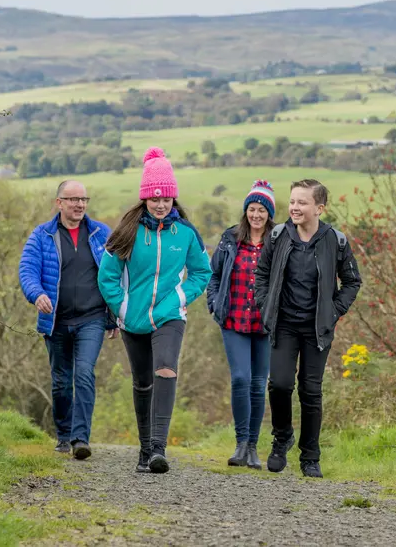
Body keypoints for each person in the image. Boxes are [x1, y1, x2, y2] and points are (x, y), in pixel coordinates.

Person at [98, 147, 212, 474]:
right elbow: (106, 276)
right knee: (142, 382)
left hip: (170, 315)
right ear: (145, 199)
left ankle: (159, 449)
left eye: (167, 200)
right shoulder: (127, 232)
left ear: (174, 200)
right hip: (133, 319)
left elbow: (202, 272)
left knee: (166, 369)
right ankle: (144, 448)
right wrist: (122, 306)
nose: (161, 205)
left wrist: (179, 297)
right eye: (155, 199)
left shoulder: (186, 234)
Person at [254, 179, 362, 478]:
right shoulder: (278, 235)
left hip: (317, 329)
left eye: (302, 202)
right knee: (279, 385)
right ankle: (281, 437)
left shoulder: (335, 240)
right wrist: (265, 305)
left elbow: (352, 282)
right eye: (292, 202)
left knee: (310, 391)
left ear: (319, 208)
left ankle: (310, 457)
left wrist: (334, 311)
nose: (294, 208)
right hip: (284, 325)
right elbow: (261, 273)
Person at [19, 180, 114, 461]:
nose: (80, 204)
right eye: (73, 199)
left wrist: (116, 315)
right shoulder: (42, 235)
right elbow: (27, 271)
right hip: (56, 320)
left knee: (84, 373)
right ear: (59, 203)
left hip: (92, 318)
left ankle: (80, 438)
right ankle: (63, 434)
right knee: (61, 381)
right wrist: (36, 295)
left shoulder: (101, 233)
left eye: (84, 199)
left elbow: (117, 274)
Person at [207, 180, 276, 470]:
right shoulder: (230, 238)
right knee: (240, 379)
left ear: (269, 213)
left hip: (265, 324)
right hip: (234, 319)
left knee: (259, 385)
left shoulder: (279, 241)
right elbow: (213, 275)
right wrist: (214, 303)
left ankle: (252, 447)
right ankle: (239, 443)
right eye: (252, 209)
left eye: (261, 210)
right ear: (245, 211)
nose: (256, 215)